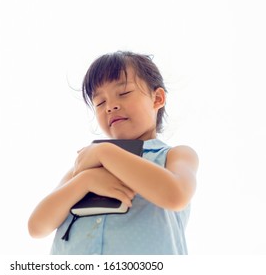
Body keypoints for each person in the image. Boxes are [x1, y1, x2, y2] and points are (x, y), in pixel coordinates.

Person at [28, 51, 199, 254]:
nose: (110, 106)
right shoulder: (86, 165)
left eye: (124, 93)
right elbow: (37, 227)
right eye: (100, 103)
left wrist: (104, 152)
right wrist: (87, 180)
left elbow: (176, 196)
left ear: (158, 98)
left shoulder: (176, 155)